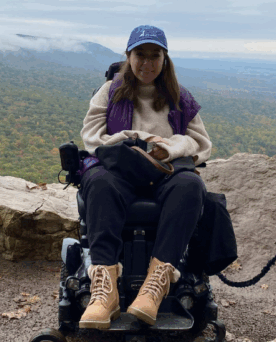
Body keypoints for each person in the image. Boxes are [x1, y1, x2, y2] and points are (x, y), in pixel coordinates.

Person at [77, 25, 212, 329]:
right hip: (120, 169)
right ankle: (104, 293)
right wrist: (132, 140)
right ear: (129, 56)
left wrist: (169, 149)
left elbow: (201, 143)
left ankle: (155, 286)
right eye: (141, 55)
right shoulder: (110, 92)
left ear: (165, 60)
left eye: (155, 56)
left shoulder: (179, 97)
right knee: (98, 183)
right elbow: (92, 136)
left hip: (164, 172)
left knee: (191, 185)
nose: (147, 63)